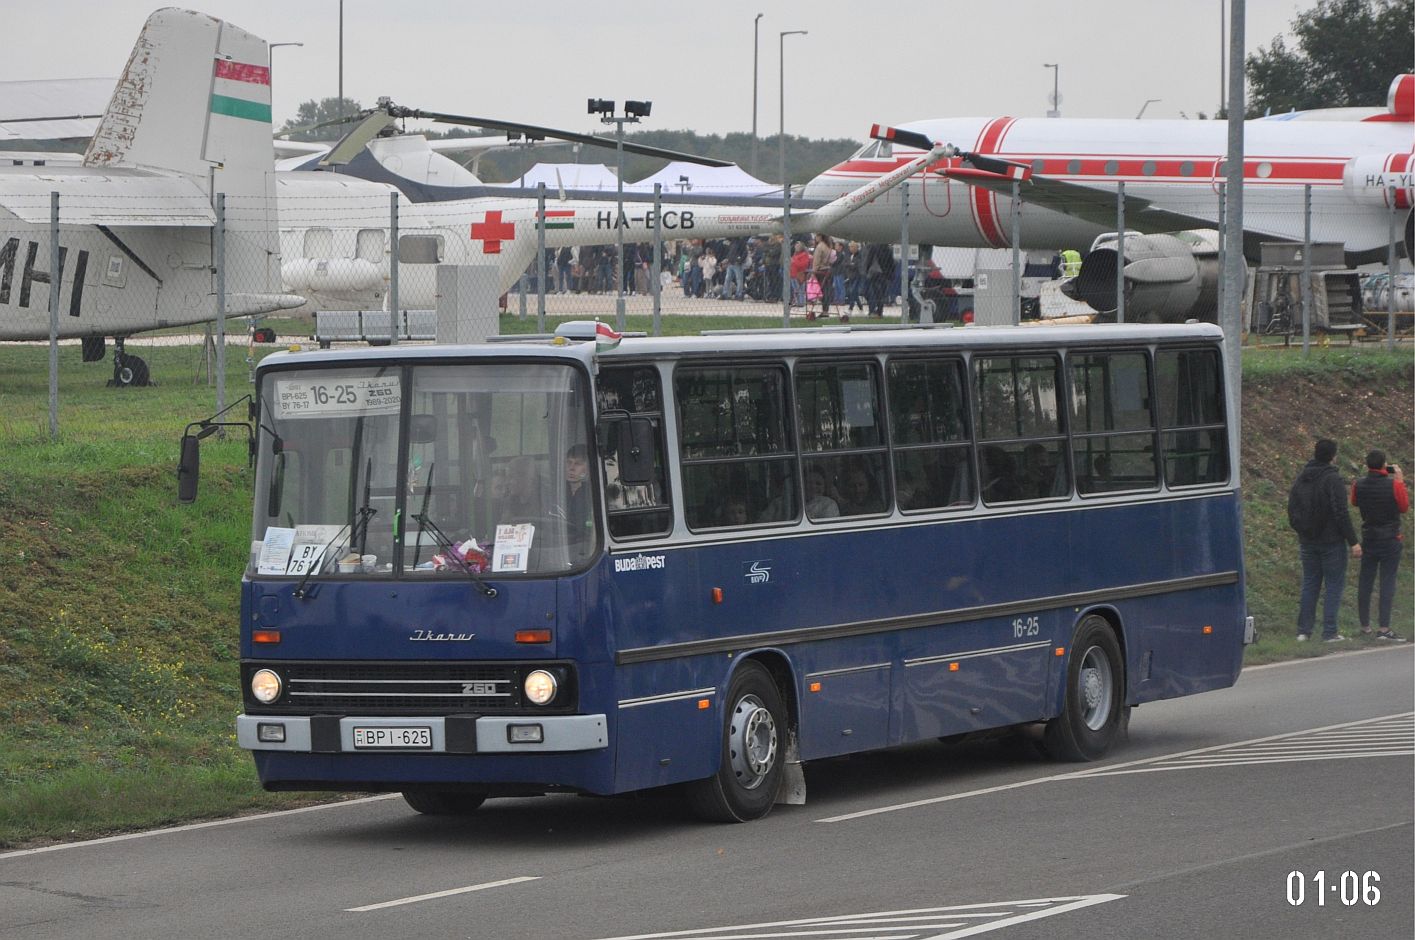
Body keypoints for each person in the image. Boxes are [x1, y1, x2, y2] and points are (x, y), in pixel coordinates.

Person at [1288, 438, 1362, 642]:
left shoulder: (1302, 477)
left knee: (1310, 584)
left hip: (1307, 540)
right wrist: (1353, 541)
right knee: (1333, 585)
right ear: (1333, 456)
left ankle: (1303, 631)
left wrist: (1302, 530)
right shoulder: (1332, 479)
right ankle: (1329, 631)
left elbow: (1292, 506)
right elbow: (1341, 512)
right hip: (1331, 541)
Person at [1351, 449, 1408, 640]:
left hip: (1369, 538)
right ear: (1385, 465)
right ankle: (1384, 628)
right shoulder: (1393, 485)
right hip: (1390, 538)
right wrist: (1399, 479)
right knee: (1387, 582)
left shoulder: (1358, 485)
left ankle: (1365, 625)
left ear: (1367, 466)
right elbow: (1403, 506)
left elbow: (1354, 502)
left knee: (1365, 581)